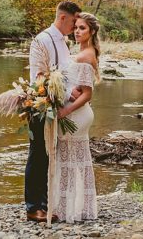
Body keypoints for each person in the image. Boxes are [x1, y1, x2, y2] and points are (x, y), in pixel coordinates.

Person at [24, 1, 81, 222]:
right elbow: (39, 77)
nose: (76, 26)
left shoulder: (64, 42)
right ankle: (33, 207)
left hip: (56, 107)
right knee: (38, 155)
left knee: (50, 156)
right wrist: (67, 95)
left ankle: (45, 205)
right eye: (74, 21)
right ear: (63, 17)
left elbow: (64, 75)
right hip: (40, 105)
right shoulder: (42, 40)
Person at [51, 12, 102, 222]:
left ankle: (67, 209)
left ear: (91, 32)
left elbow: (88, 94)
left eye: (82, 28)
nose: (77, 31)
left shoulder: (85, 55)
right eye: (76, 27)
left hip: (76, 114)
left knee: (69, 160)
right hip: (77, 111)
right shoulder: (80, 51)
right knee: (74, 160)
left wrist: (65, 111)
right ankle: (73, 207)